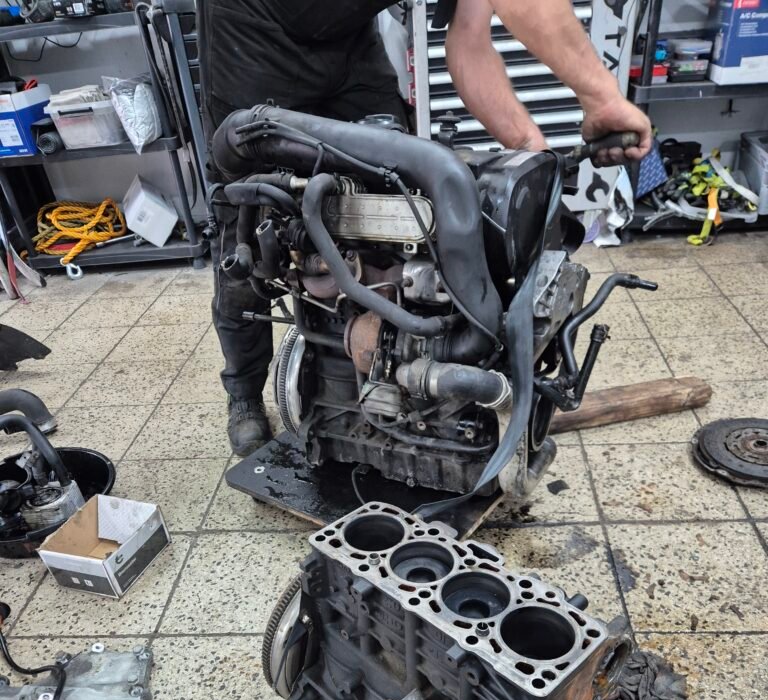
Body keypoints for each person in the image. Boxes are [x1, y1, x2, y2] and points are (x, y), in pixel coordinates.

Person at [198, 0, 652, 456]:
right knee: (250, 227)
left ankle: (390, 375)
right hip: (253, 36)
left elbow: (470, 42)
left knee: (402, 201)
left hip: (348, 46)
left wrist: (527, 159)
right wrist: (604, 100)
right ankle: (244, 391)